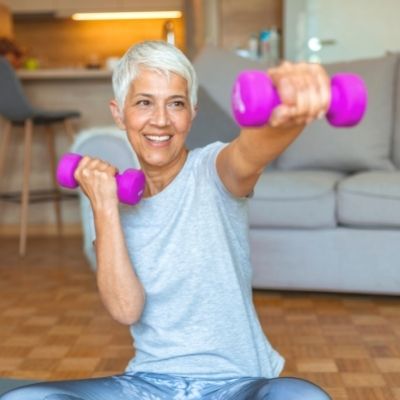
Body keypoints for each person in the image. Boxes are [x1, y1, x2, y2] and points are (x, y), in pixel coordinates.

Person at [1, 41, 332, 400]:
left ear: (192, 112)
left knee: (303, 396)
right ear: (119, 113)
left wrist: (290, 113)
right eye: (144, 102)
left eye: (175, 103)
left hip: (239, 387)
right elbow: (126, 309)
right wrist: (105, 208)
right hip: (147, 386)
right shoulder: (114, 204)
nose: (160, 120)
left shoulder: (214, 172)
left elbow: (254, 148)